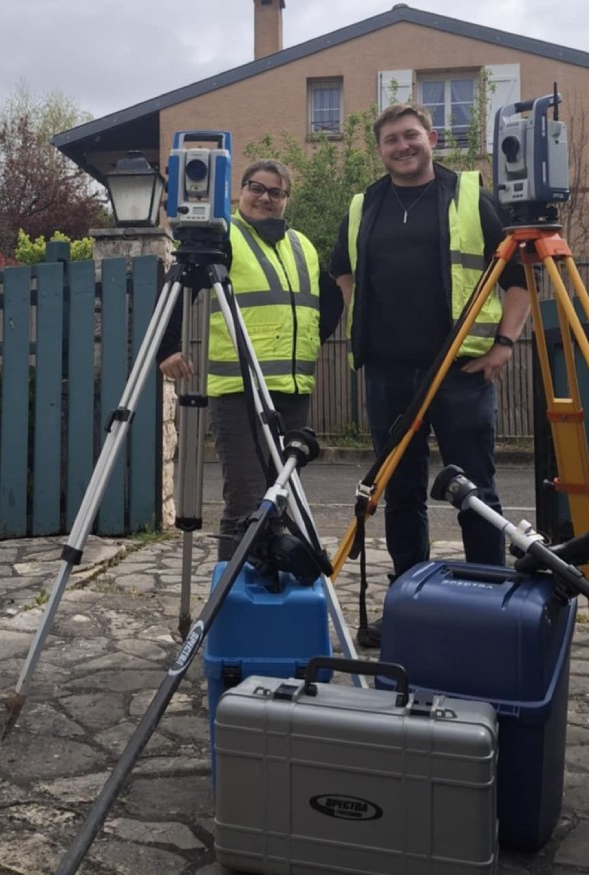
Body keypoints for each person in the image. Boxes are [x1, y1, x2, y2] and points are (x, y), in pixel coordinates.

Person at [329, 102, 530, 646]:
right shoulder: (363, 204)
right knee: (400, 493)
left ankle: (485, 607)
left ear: (432, 138)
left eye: (410, 135)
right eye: (391, 139)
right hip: (387, 374)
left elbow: (519, 277)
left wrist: (505, 344)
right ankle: (410, 604)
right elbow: (341, 269)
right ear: (379, 149)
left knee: (476, 491)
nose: (402, 146)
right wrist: (360, 314)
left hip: (460, 372)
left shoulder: (471, 197)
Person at [158, 158, 341, 561]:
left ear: (286, 199)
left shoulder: (302, 245)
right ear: (240, 191)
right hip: (239, 391)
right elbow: (181, 285)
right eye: (256, 188)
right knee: (246, 501)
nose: (265, 198)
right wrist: (168, 347)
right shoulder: (225, 239)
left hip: (292, 391)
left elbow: (329, 301)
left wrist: (305, 342)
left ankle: (270, 580)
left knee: (281, 496)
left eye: (276, 192)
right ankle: (232, 590)